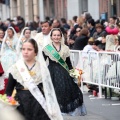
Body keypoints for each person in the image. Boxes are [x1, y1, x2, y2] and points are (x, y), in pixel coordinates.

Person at [5, 39, 63, 120]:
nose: (25, 52)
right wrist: (7, 105)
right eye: (23, 49)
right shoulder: (15, 68)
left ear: (35, 52)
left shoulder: (42, 69)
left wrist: (52, 107)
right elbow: (8, 90)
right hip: (20, 104)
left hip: (38, 104)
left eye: (29, 49)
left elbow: (48, 90)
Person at [43, 28, 86, 116]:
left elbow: (68, 63)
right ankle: (55, 111)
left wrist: (74, 74)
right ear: (51, 37)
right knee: (55, 91)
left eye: (58, 35)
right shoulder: (47, 48)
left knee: (67, 90)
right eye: (54, 35)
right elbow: (43, 63)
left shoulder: (65, 48)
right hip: (52, 72)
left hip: (64, 72)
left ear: (61, 36)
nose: (56, 37)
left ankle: (64, 110)